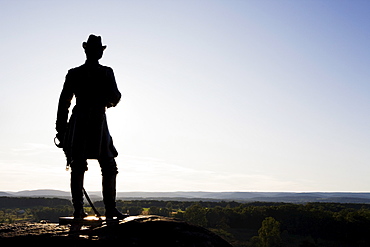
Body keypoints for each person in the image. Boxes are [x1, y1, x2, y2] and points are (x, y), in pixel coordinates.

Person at [55, 34, 126, 219]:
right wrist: (61, 130)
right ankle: (94, 209)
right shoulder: (104, 72)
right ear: (93, 51)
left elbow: (64, 104)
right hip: (95, 120)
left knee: (85, 165)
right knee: (104, 165)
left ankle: (85, 209)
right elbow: (116, 97)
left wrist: (61, 130)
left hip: (82, 121)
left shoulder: (76, 73)